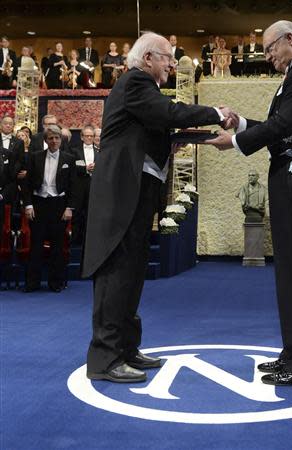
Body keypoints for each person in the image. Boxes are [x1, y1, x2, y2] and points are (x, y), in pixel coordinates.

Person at [82, 31, 233, 383]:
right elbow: (166, 113)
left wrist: (185, 139)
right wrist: (215, 113)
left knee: (133, 271)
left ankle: (126, 348)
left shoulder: (141, 89)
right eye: (168, 56)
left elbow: (156, 126)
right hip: (121, 195)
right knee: (117, 270)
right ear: (148, 58)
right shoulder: (135, 82)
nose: (171, 63)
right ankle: (104, 358)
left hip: (137, 193)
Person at [207, 20, 292, 386]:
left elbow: (282, 126)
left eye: (269, 49)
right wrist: (242, 123)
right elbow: (280, 124)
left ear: (290, 40)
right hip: (290, 183)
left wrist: (233, 143)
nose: (267, 57)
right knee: (288, 276)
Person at [22, 125, 78, 292]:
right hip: (38, 204)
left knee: (57, 246)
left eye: (57, 138)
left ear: (61, 140)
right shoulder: (34, 157)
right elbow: (26, 183)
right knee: (36, 245)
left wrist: (69, 207)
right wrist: (28, 205)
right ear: (45, 140)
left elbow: (74, 186)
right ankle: (33, 283)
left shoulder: (69, 158)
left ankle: (55, 283)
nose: (54, 141)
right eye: (51, 138)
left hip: (58, 205)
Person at [71, 125, 99, 245]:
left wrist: (97, 167)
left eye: (91, 136)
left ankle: (88, 241)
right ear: (82, 137)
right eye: (86, 136)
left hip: (94, 186)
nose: (89, 138)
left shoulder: (99, 151)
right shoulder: (74, 150)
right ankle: (75, 240)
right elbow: (71, 167)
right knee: (77, 214)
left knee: (91, 214)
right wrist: (86, 168)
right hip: (79, 186)